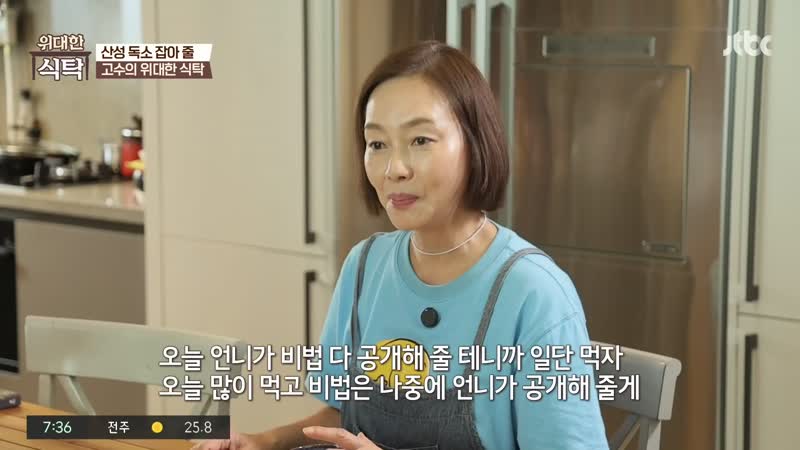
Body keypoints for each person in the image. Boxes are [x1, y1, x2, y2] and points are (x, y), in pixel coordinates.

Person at [193, 40, 609, 450]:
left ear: (475, 143)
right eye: (377, 144)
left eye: (420, 140)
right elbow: (343, 414)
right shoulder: (364, 266)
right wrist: (263, 441)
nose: (394, 169)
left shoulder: (534, 294)